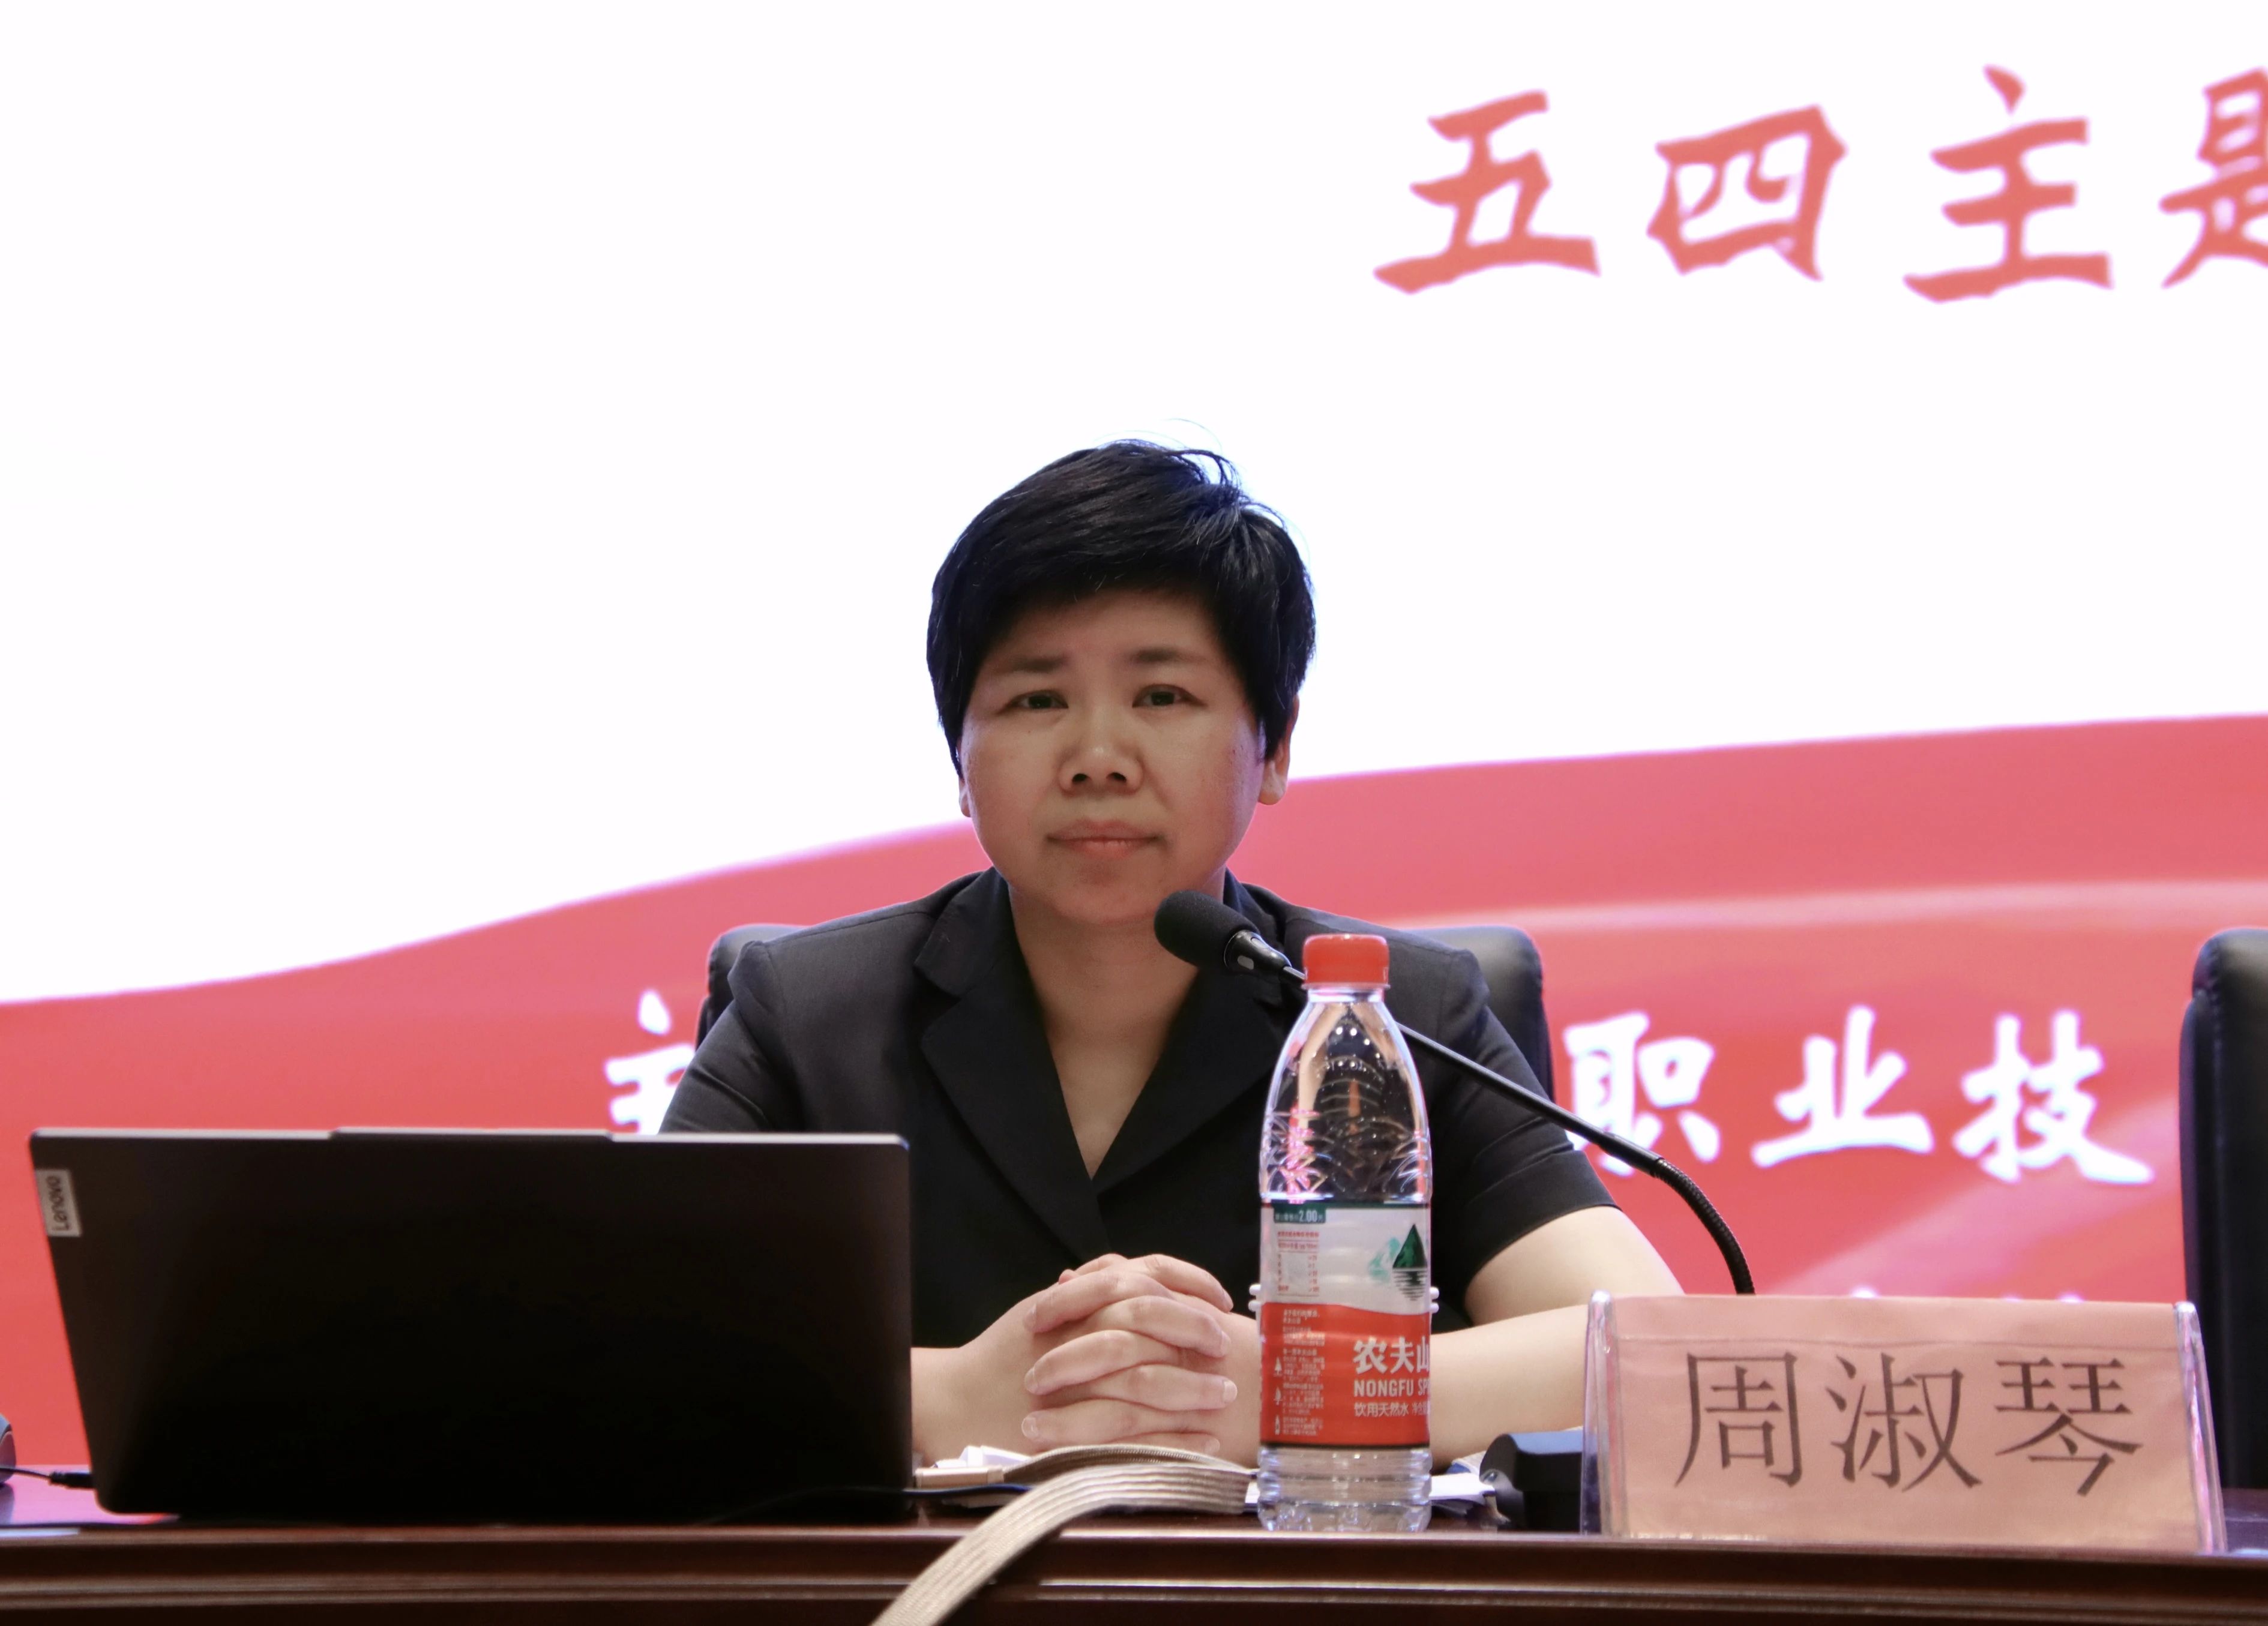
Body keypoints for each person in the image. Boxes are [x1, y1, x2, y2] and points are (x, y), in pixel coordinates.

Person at [662, 442, 1679, 1465]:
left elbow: (1646, 1345)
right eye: (1037, 700)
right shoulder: (807, 1015)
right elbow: (631, 1349)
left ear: (1273, 746)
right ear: (959, 762)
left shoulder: (1399, 1015)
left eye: (1162, 696)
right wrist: (951, 1396)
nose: (1098, 758)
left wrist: (1294, 1386)